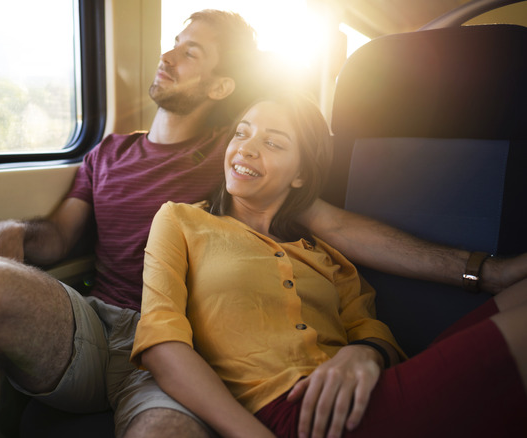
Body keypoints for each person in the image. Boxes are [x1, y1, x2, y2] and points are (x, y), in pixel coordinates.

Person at [0, 9, 527, 438]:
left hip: (188, 338)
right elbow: (60, 237)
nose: (168, 54)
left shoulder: (237, 157)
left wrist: (486, 271)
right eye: (172, 42)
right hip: (99, 322)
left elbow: (336, 225)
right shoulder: (107, 153)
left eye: (191, 51)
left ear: (221, 85)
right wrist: (13, 233)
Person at [130, 94, 527, 438]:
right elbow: (162, 345)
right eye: (241, 132)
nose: (246, 149)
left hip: (369, 393)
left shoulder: (328, 256)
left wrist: (365, 353)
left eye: (273, 143)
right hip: (296, 415)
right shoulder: (180, 220)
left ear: (301, 175)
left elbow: (371, 330)